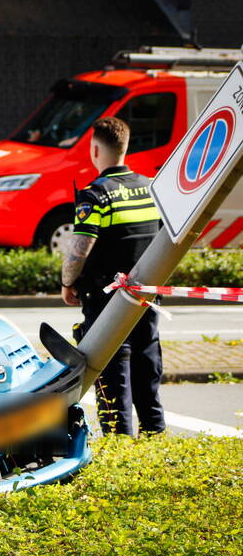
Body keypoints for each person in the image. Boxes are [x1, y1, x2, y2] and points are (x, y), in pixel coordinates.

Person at [61, 116, 165, 436]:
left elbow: (81, 248)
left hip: (106, 301)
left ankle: (119, 448)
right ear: (125, 147)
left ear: (94, 150)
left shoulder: (96, 195)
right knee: (147, 367)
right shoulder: (151, 189)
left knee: (111, 374)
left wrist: (67, 283)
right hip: (146, 296)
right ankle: (154, 435)